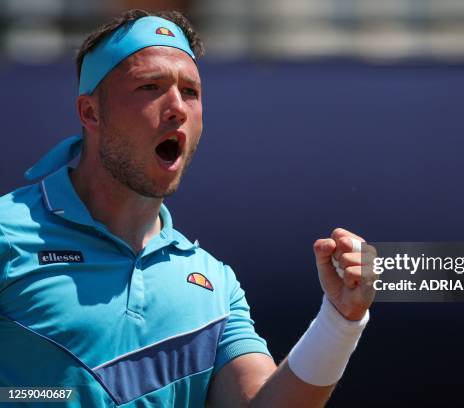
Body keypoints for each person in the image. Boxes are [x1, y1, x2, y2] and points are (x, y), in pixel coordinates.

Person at [0, 9, 375, 407]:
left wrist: (340, 320)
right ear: (91, 112)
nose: (177, 107)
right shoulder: (8, 232)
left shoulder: (214, 286)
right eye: (150, 87)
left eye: (191, 92)